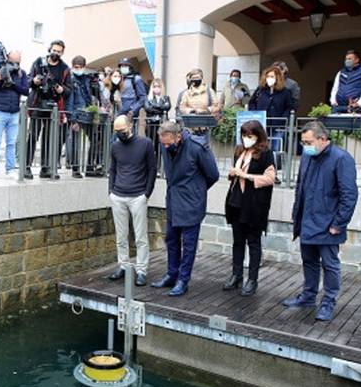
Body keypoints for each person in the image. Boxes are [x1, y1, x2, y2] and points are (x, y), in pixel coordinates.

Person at [283, 121, 357, 321]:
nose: (305, 146)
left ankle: (328, 302)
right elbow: (301, 186)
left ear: (322, 139)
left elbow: (349, 195)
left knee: (330, 265)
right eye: (303, 142)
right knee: (309, 261)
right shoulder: (308, 156)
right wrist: (296, 213)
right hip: (307, 220)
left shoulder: (341, 159)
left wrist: (338, 224)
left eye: (308, 142)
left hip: (328, 224)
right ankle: (308, 296)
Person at [151, 120, 219, 297]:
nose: (165, 146)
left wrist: (196, 191)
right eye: (162, 143)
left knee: (189, 245)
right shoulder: (166, 146)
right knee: (171, 240)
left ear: (178, 136)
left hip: (191, 204)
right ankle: (172, 275)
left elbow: (213, 174)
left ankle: (183, 280)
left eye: (168, 142)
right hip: (174, 201)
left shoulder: (197, 147)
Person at [223, 121, 275, 297]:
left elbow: (270, 178)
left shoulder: (266, 153)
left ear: (258, 136)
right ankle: (236, 275)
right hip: (236, 201)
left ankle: (252, 279)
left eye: (250, 136)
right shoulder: (240, 151)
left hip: (254, 205)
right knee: (238, 241)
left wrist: (246, 175)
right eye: (244, 135)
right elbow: (235, 174)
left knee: (253, 242)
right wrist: (233, 173)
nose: (246, 139)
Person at [107, 115, 157, 287]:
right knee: (121, 236)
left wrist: (147, 193)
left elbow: (152, 169)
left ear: (130, 126)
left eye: (122, 130)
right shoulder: (115, 146)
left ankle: (141, 269)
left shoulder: (146, 144)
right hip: (118, 195)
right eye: (116, 131)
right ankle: (123, 265)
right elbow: (113, 169)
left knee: (140, 236)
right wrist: (111, 191)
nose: (119, 134)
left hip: (138, 196)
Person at [26, 39, 71, 179]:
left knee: (48, 138)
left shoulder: (64, 68)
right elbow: (28, 80)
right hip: (37, 103)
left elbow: (69, 90)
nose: (55, 53)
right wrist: (34, 81)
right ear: (49, 49)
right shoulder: (39, 62)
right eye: (54, 50)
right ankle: (26, 166)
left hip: (53, 106)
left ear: (62, 52)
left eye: (59, 51)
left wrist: (60, 89)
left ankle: (45, 167)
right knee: (33, 136)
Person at [0, 50, 28, 180]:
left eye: (17, 61)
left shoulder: (21, 73)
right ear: (7, 58)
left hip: (14, 112)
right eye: (12, 60)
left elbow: (26, 91)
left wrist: (12, 84)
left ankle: (10, 169)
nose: (15, 64)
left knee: (11, 143)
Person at [248, 65, 294, 183]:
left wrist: (283, 118)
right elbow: (251, 103)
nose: (269, 78)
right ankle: (260, 171)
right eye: (268, 76)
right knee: (261, 148)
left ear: (278, 77)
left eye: (272, 76)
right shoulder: (260, 90)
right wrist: (255, 113)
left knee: (275, 149)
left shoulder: (285, 92)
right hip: (262, 125)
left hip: (278, 125)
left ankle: (274, 174)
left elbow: (289, 107)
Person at [66, 55, 100, 178]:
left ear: (84, 67)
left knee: (95, 139)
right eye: (75, 67)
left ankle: (90, 167)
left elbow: (91, 95)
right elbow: (69, 101)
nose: (77, 69)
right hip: (76, 114)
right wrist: (72, 119)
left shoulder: (86, 79)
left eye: (80, 67)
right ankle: (75, 169)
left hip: (87, 113)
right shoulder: (70, 79)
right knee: (75, 142)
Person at [330, 49, 361, 114]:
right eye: (346, 59)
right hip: (338, 107)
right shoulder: (341, 72)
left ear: (357, 60)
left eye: (350, 59)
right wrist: (333, 101)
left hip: (354, 107)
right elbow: (335, 88)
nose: (347, 61)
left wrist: (359, 103)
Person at [144, 78, 171, 172]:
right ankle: (151, 167)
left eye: (158, 86)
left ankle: (160, 168)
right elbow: (148, 109)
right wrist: (160, 108)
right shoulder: (148, 98)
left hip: (162, 126)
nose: (156, 88)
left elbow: (167, 107)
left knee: (161, 146)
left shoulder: (166, 98)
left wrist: (155, 107)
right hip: (151, 125)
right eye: (154, 86)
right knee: (151, 146)